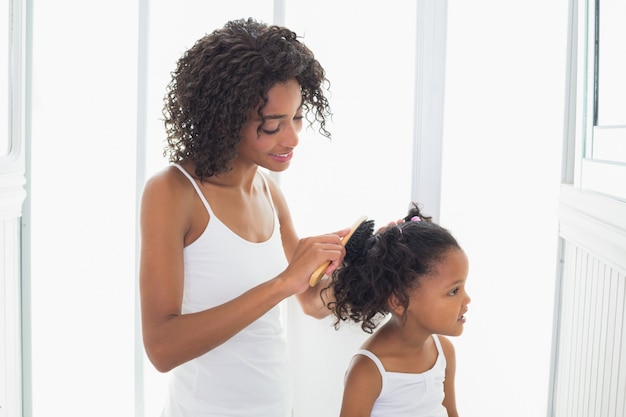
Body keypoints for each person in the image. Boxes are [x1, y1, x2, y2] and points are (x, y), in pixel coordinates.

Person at [139, 18, 348, 417]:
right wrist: (282, 282)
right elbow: (162, 348)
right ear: (225, 119)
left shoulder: (268, 191)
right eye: (272, 125)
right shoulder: (174, 192)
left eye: (297, 117)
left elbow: (311, 301)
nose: (292, 139)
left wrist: (357, 262)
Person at [323, 203, 471, 417]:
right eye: (453, 291)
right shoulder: (368, 372)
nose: (467, 299)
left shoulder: (444, 352)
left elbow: (451, 413)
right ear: (399, 301)